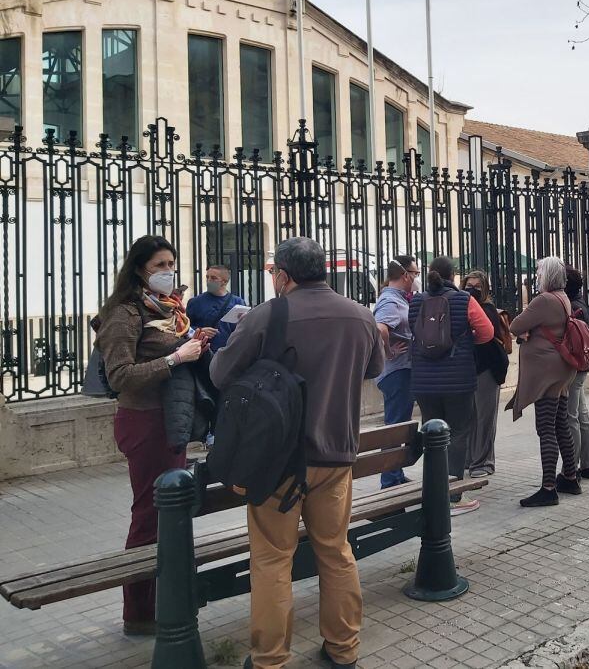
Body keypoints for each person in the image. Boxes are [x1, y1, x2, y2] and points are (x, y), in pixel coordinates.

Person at [208, 237, 383, 669]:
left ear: (283, 276)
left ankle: (270, 659)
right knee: (335, 552)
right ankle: (343, 649)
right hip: (336, 455)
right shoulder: (361, 315)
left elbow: (220, 374)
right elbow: (375, 369)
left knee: (271, 559)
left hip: (277, 461)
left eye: (273, 273)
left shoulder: (267, 315)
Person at [95, 235, 210, 635]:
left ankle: (166, 600)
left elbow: (167, 350)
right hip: (144, 421)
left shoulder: (165, 307)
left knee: (168, 515)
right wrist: (176, 357)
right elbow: (120, 376)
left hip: (169, 419)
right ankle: (139, 611)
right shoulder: (124, 313)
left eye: (171, 264)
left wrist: (194, 342)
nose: (168, 271)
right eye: (160, 265)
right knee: (149, 514)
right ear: (139, 268)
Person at [408, 256, 494, 516]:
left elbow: (414, 331)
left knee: (432, 434)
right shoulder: (464, 300)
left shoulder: (417, 301)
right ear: (453, 275)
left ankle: (434, 490)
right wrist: (464, 341)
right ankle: (453, 495)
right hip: (458, 380)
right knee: (457, 434)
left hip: (423, 381)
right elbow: (487, 332)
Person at [508, 257, 579, 506]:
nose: (537, 277)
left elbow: (515, 325)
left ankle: (548, 488)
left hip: (546, 374)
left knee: (546, 428)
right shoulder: (562, 297)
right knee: (560, 425)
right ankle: (570, 476)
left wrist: (526, 330)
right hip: (560, 369)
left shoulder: (544, 300)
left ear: (547, 275)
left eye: (539, 273)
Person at [373, 255, 420, 488]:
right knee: (395, 426)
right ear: (405, 275)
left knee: (400, 425)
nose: (416, 278)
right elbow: (380, 328)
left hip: (400, 370)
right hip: (397, 372)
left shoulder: (397, 298)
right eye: (415, 274)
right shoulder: (391, 301)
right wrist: (389, 352)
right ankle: (390, 479)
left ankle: (396, 473)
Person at [464, 269, 511, 478]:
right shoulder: (463, 306)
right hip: (470, 368)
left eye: (477, 287)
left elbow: (485, 335)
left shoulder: (487, 309)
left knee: (484, 418)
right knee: (470, 417)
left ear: (485, 289)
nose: (472, 290)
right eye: (469, 286)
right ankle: (469, 459)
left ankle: (484, 462)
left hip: (488, 368)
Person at [564, 266, 589, 480]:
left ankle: (572, 466)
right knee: (582, 414)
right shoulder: (580, 303)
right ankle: (587, 464)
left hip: (574, 365)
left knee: (571, 417)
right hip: (583, 363)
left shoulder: (572, 307)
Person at [185, 264, 247, 353]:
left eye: (213, 278)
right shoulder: (195, 302)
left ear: (224, 282)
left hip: (229, 353)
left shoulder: (238, 302)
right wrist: (199, 331)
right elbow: (185, 329)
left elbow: (243, 329)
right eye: (207, 277)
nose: (209, 281)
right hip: (203, 352)